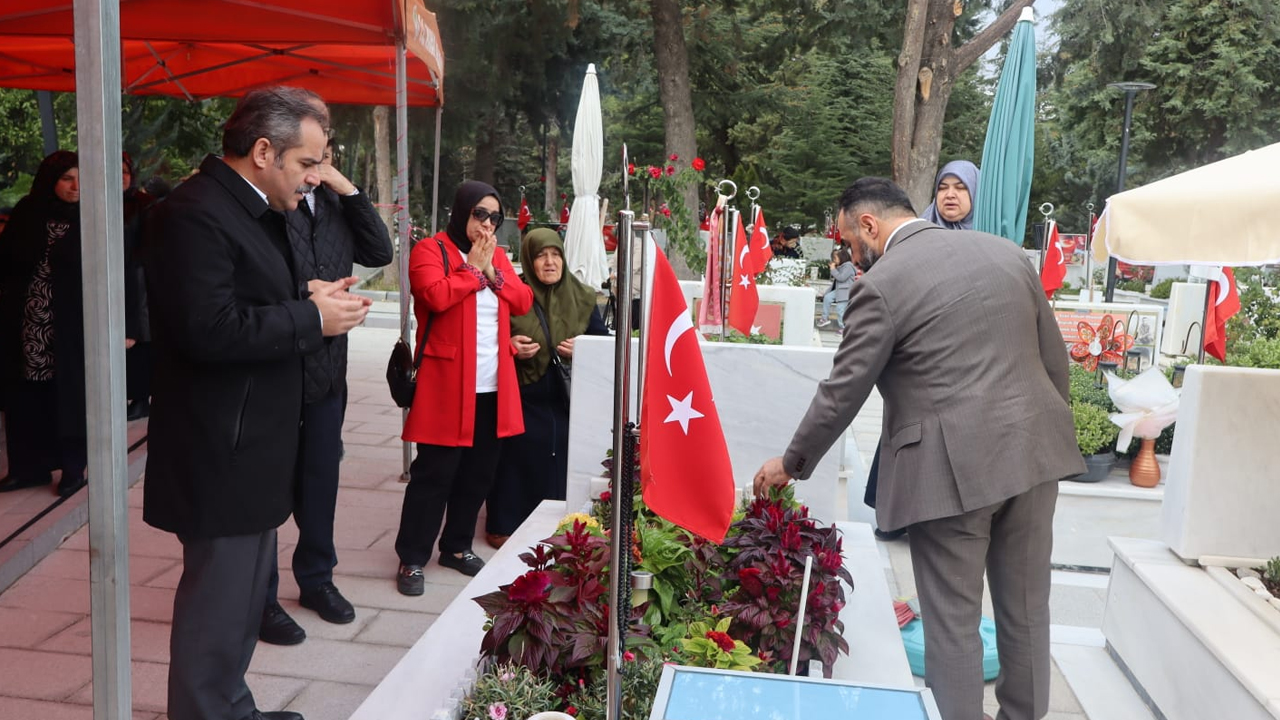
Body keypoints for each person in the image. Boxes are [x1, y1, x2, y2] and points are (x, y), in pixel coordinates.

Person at [754, 178, 1083, 720]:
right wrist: (1047, 434)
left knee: (952, 622)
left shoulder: (882, 284)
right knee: (1026, 609)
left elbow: (844, 389)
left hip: (949, 473)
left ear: (868, 225)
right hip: (1033, 454)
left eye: (849, 242)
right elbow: (1054, 360)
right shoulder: (1007, 254)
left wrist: (791, 464)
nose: (851, 256)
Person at [143, 86, 371, 720]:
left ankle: (230, 706)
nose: (314, 179)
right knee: (216, 605)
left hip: (252, 441)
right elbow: (207, 329)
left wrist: (308, 292)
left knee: (243, 600)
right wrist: (309, 317)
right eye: (307, 164)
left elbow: (244, 294)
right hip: (221, 445)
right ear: (264, 151)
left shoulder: (242, 206)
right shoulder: (194, 212)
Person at [258, 137, 394, 646]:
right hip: (274, 366)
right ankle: (262, 597)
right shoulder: (271, 202)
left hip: (327, 372)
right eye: (311, 159)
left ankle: (316, 580)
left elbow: (379, 251)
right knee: (270, 487)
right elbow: (256, 284)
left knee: (321, 482)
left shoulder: (336, 201)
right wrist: (304, 298)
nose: (316, 168)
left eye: (326, 156)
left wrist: (347, 188)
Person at [394, 181, 533, 593]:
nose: (486, 223)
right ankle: (412, 558)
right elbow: (435, 296)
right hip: (446, 382)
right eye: (479, 214)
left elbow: (523, 302)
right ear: (461, 212)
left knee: (478, 473)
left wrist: (493, 272)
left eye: (494, 217)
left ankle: (455, 546)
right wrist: (473, 270)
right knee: (434, 474)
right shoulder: (430, 251)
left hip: (493, 382)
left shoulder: (499, 257)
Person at [869, 158, 982, 541]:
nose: (950, 195)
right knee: (906, 432)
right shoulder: (915, 237)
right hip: (919, 352)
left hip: (967, 354)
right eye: (944, 187)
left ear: (976, 194)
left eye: (960, 188)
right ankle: (892, 514)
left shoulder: (987, 239)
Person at [484, 228, 608, 548]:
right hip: (524, 392)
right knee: (519, 448)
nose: (550, 262)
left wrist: (583, 347)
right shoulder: (514, 294)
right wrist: (511, 345)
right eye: (541, 256)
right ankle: (505, 524)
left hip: (569, 395)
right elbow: (490, 337)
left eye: (555, 255)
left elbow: (604, 344)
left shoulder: (582, 296)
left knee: (567, 445)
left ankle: (567, 523)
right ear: (529, 260)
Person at [0, 150, 89, 497]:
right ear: (51, 180)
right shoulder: (28, 211)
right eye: (67, 178)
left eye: (80, 177)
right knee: (25, 396)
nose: (76, 186)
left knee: (68, 396)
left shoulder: (93, 214)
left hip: (71, 325)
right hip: (27, 322)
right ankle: (27, 468)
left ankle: (72, 468)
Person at [122, 151, 156, 421]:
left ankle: (140, 397)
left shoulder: (143, 203)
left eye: (124, 173)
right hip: (109, 275)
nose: (120, 178)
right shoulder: (95, 200)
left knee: (137, 340)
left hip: (137, 278)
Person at [921, 160, 981, 230]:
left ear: (975, 193)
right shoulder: (918, 232)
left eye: (960, 188)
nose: (949, 195)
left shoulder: (992, 231)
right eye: (942, 188)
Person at [817, 245, 856, 330]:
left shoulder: (848, 266)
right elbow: (835, 282)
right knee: (827, 298)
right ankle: (825, 318)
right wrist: (826, 292)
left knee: (840, 310)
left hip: (845, 292)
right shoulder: (841, 267)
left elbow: (841, 278)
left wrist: (833, 269)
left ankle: (844, 328)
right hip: (839, 291)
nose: (834, 261)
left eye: (835, 258)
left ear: (842, 257)